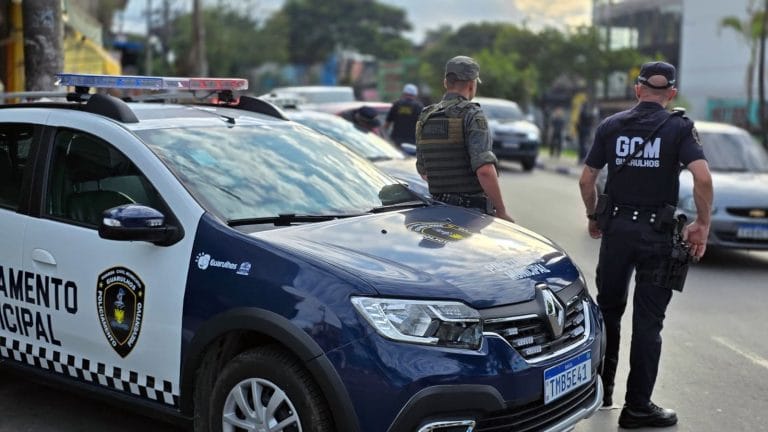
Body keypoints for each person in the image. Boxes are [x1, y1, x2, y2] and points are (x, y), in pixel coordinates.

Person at [578, 61, 713, 429]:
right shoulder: (679, 127)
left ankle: (600, 391)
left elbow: (587, 180)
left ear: (637, 89)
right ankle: (637, 407)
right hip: (658, 235)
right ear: (671, 94)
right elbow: (701, 177)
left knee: (608, 311)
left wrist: (594, 217)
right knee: (649, 322)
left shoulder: (611, 126)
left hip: (617, 232)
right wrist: (702, 224)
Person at [415, 55, 513, 222]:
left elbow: (423, 171)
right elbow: (485, 170)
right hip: (471, 213)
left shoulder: (426, 115)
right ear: (472, 84)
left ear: (446, 83)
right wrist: (501, 211)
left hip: (437, 209)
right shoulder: (472, 114)